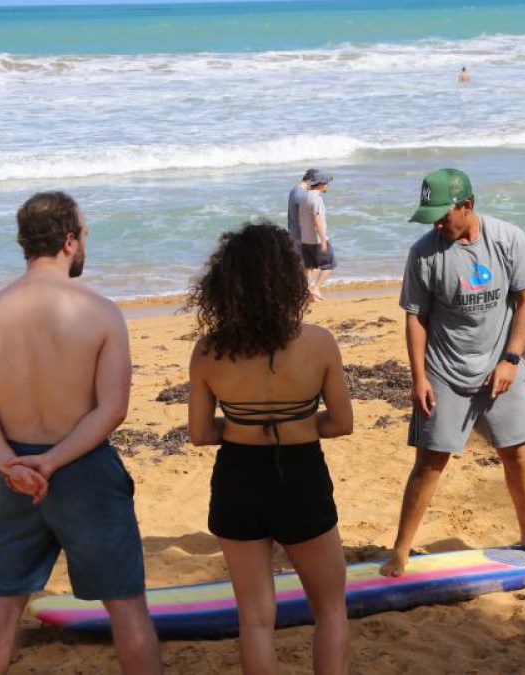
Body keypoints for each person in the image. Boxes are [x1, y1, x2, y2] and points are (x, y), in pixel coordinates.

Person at [0, 191, 161, 675]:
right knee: (126, 605)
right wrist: (52, 462)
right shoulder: (99, 312)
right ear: (69, 240)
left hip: (18, 477)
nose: (85, 241)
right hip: (84, 468)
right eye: (85, 233)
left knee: (1, 609)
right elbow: (112, 410)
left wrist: (11, 463)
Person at [187, 220, 353, 674]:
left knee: (256, 620)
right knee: (331, 610)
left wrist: (243, 426)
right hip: (300, 475)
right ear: (286, 278)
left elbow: (200, 434)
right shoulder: (319, 344)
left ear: (226, 283)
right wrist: (295, 422)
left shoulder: (208, 351)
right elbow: (341, 424)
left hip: (238, 478)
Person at [380, 168, 525, 578]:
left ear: (468, 206)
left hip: (500, 366)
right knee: (430, 462)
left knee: (517, 452)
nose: (438, 224)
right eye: (432, 217)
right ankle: (401, 550)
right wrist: (418, 377)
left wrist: (511, 359)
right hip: (444, 370)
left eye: (443, 215)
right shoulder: (423, 253)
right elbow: (416, 318)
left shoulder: (508, 239)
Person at [297, 171, 336, 300]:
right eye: (327, 184)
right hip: (317, 240)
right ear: (322, 185)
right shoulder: (317, 198)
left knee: (310, 267)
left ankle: (308, 292)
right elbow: (317, 219)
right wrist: (323, 240)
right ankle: (316, 287)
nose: (328, 186)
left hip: (305, 239)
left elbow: (300, 217)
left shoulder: (303, 197)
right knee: (330, 265)